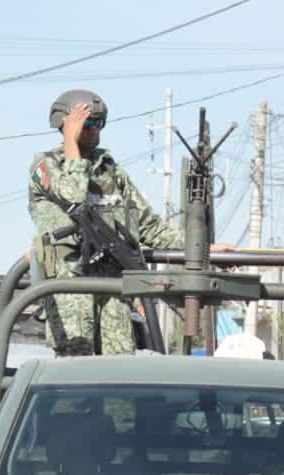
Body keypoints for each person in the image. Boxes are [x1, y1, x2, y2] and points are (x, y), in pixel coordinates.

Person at [28, 89, 228, 356]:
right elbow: (73, 195)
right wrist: (71, 143)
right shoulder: (47, 166)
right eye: (85, 123)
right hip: (70, 287)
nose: (93, 130)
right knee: (74, 371)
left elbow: (147, 225)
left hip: (112, 284)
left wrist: (203, 250)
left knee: (119, 368)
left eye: (98, 123)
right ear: (64, 124)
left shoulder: (111, 171)